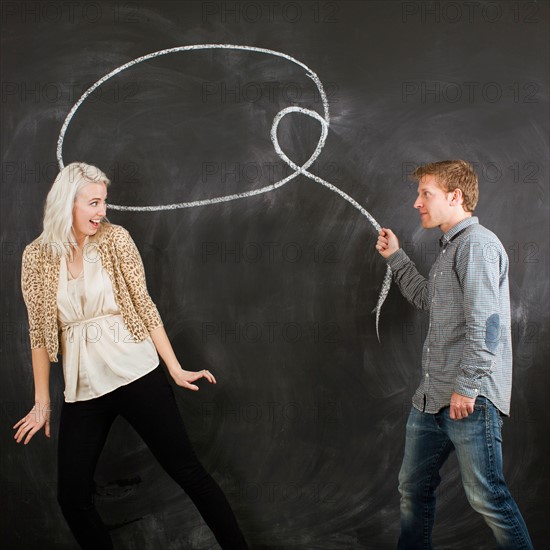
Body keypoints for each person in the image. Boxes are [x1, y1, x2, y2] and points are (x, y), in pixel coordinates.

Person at [13, 162, 249, 550]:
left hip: (136, 373)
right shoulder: (36, 258)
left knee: (188, 472)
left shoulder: (115, 239)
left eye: (103, 202)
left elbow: (143, 303)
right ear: (66, 203)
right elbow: (38, 333)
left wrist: (173, 368)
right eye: (93, 203)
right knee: (71, 497)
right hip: (83, 387)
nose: (102, 211)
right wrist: (42, 404)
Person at [375, 160, 533, 549]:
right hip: (431, 400)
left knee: (487, 498)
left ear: (454, 196)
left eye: (424, 194)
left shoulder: (477, 245)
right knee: (413, 490)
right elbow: (428, 299)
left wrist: (466, 386)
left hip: (468, 400)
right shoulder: (452, 249)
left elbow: (487, 324)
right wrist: (396, 257)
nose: (416, 203)